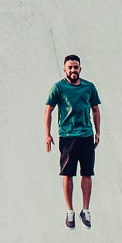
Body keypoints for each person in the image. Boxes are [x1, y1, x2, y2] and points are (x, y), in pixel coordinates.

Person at [44, 54, 101, 230]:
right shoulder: (58, 88)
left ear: (80, 68)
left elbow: (96, 110)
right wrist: (48, 135)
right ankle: (70, 211)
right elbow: (48, 111)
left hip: (86, 135)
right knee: (67, 173)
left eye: (76, 67)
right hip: (67, 136)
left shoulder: (89, 87)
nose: (73, 70)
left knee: (87, 173)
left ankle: (85, 210)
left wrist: (98, 132)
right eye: (70, 67)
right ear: (64, 69)